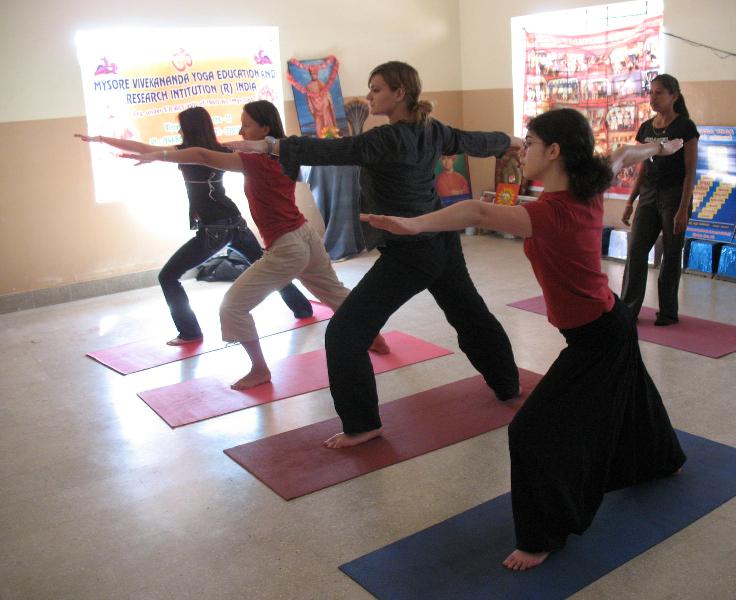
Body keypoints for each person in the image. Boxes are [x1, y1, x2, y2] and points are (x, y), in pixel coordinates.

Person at [363, 108, 687, 571]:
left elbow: (477, 210)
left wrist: (414, 224)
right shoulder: (589, 184)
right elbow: (622, 153)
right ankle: (662, 460)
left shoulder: (550, 213)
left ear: (553, 151)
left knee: (532, 431)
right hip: (608, 321)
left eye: (530, 143)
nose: (521, 150)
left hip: (598, 337)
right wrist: (660, 147)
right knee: (633, 397)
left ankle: (543, 535)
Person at [246, 61, 521, 448]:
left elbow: (337, 149)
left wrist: (273, 145)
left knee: (345, 333)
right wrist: (509, 141)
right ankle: (507, 385)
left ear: (400, 93)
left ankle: (362, 424)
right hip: (441, 242)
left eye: (376, 89)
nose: (369, 96)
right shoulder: (431, 129)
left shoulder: (387, 138)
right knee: (470, 314)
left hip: (411, 251)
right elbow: (469, 140)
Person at [118, 101, 388, 389]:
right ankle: (375, 337)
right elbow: (203, 152)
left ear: (264, 128)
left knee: (232, 307)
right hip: (306, 234)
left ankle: (259, 370)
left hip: (288, 246)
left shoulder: (253, 162)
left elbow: (200, 154)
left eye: (246, 124)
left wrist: (158, 156)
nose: (241, 130)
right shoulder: (287, 153)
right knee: (333, 292)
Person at [75, 107, 312, 345]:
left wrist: (102, 139)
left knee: (168, 276)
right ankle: (302, 308)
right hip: (235, 223)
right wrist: (103, 139)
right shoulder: (219, 150)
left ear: (189, 129)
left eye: (181, 127)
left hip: (214, 230)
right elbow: (144, 149)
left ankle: (189, 332)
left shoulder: (189, 153)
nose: (179, 132)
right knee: (268, 269)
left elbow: (144, 148)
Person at [620, 74, 699, 326]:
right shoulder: (646, 128)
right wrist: (631, 200)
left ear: (673, 96)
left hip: (674, 196)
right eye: (651, 92)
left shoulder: (685, 127)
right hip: (648, 195)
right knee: (636, 250)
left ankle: (668, 312)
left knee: (671, 253)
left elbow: (690, 172)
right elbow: (642, 167)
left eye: (659, 93)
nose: (653, 98)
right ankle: (628, 309)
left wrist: (683, 208)